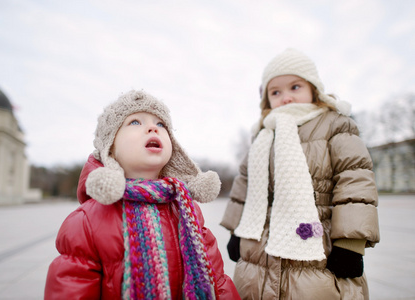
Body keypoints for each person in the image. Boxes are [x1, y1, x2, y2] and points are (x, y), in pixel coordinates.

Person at [45, 90, 240, 299]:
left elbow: (217, 281)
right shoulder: (86, 220)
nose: (152, 127)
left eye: (161, 124)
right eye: (135, 122)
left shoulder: (186, 209)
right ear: (110, 148)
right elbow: (73, 288)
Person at [220, 48, 380, 299]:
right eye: (275, 92)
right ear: (266, 100)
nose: (285, 97)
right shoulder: (263, 135)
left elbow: (354, 179)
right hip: (258, 253)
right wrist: (235, 232)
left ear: (313, 89)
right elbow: (244, 185)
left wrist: (351, 243)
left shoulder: (335, 125)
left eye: (295, 87)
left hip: (319, 249)